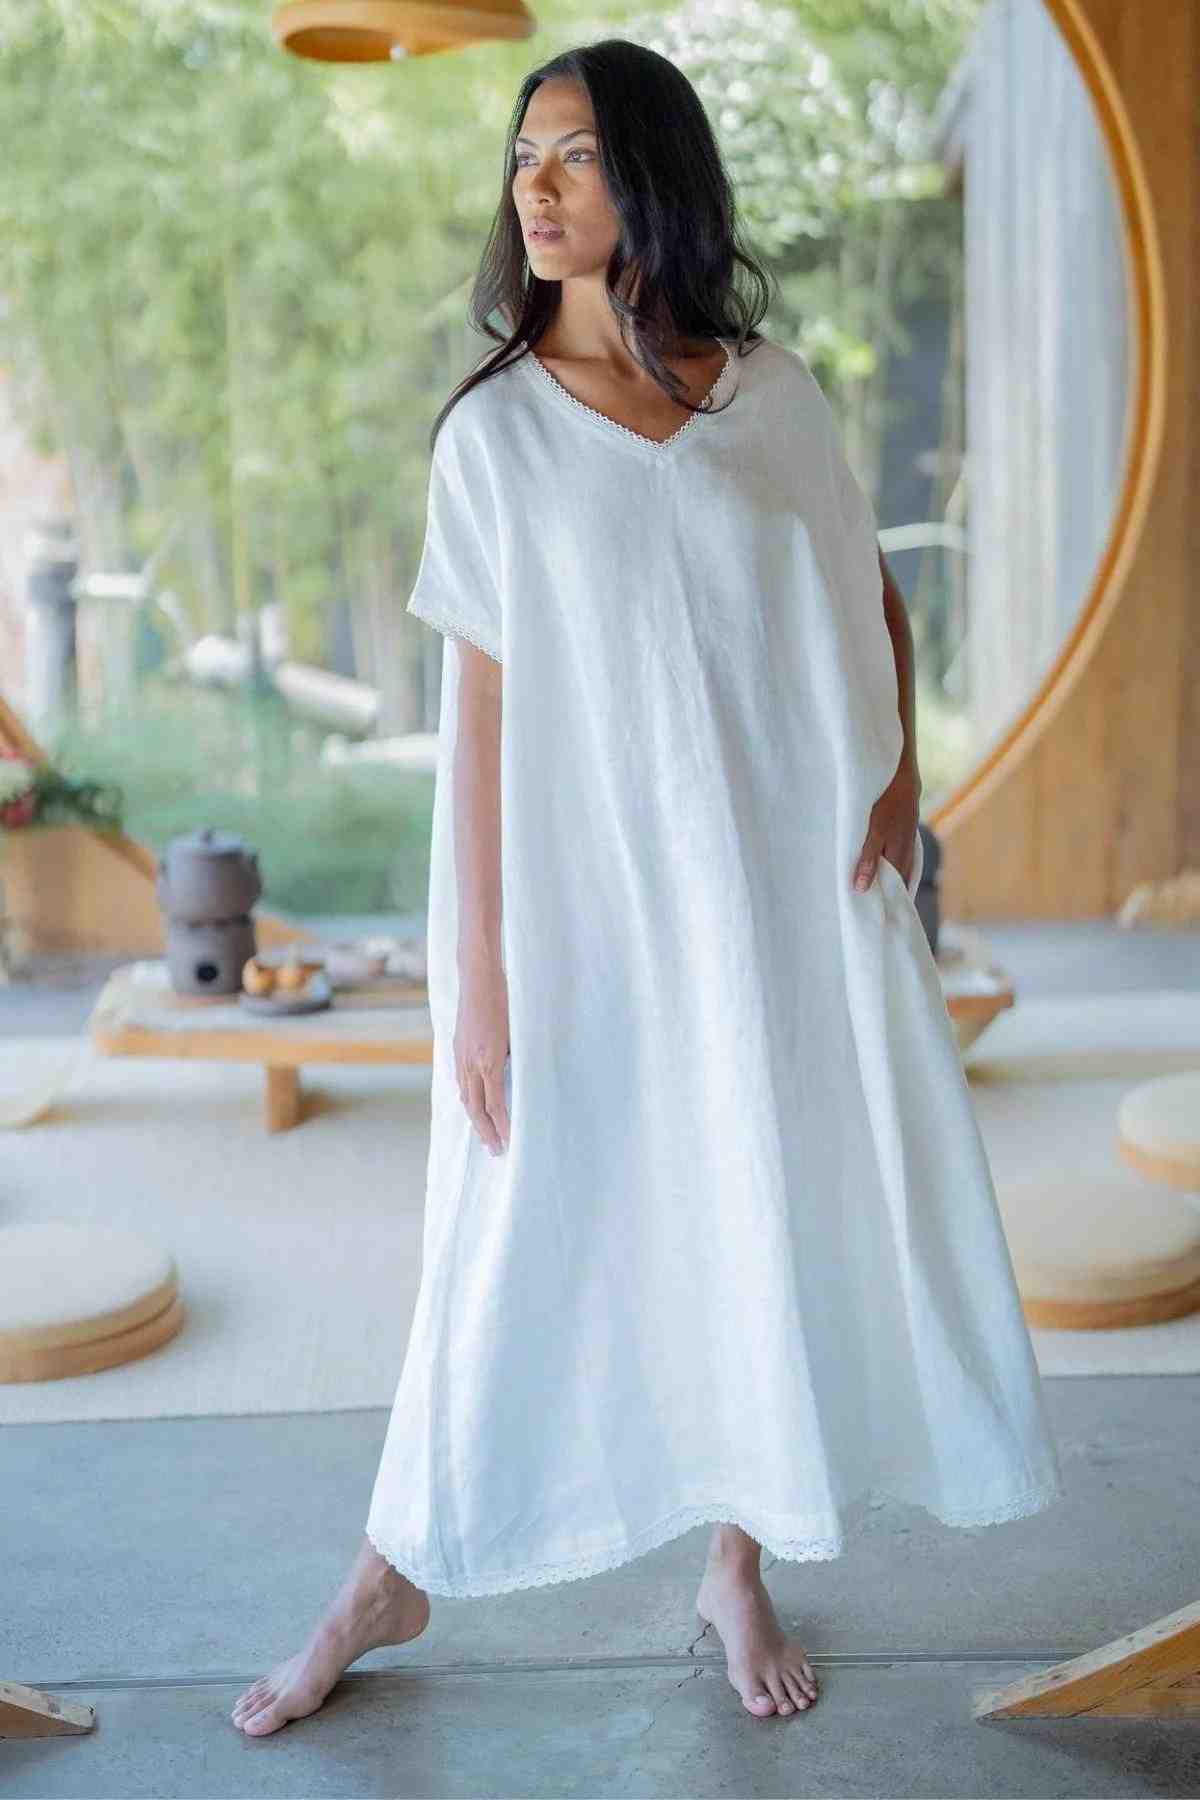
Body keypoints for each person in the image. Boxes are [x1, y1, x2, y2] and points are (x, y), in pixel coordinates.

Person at [232, 39, 1064, 1738]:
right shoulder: (497, 442)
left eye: (579, 155)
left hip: (775, 906)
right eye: (524, 155)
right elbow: (480, 730)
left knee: (757, 1203)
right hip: (583, 916)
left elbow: (870, 596)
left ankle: (734, 1558)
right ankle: (397, 1563)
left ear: (653, 180)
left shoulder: (770, 393)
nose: (536, 186)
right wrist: (478, 979)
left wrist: (900, 794)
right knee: (515, 1237)